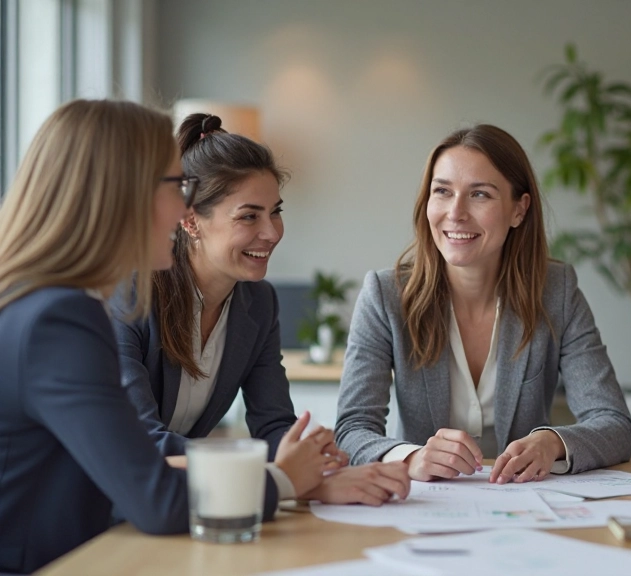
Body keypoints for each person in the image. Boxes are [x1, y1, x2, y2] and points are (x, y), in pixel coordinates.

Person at [0, 100, 276, 574]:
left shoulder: (40, 304)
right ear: (121, 194)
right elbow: (156, 499)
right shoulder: (61, 321)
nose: (184, 207)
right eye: (177, 186)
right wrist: (287, 481)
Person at [113, 113, 410, 506]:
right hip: (110, 507)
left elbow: (272, 425)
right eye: (249, 216)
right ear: (190, 221)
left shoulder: (259, 303)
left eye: (276, 211)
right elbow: (142, 440)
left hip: (189, 499)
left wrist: (313, 460)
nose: (271, 232)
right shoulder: (130, 295)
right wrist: (290, 480)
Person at [335, 124, 631, 483]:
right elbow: (351, 430)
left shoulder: (557, 292)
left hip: (525, 504)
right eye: (442, 191)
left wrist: (552, 442)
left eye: (480, 195)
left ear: (518, 210)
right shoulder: (385, 296)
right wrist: (410, 457)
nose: (456, 212)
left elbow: (615, 424)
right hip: (423, 505)